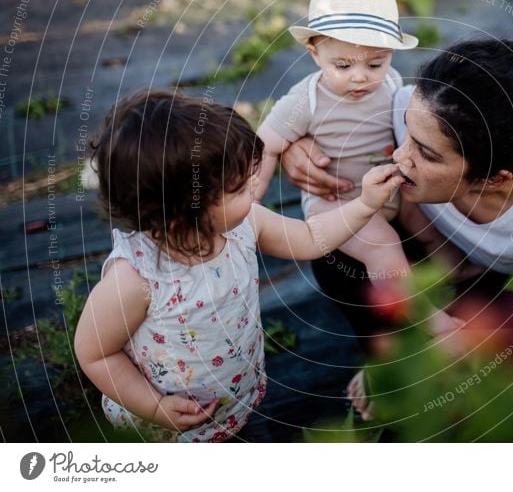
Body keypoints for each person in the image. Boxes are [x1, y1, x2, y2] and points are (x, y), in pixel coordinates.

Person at [280, 38, 513, 418]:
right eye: (406, 132)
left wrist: (469, 345)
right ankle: (384, 355)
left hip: (500, 287)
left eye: (426, 154)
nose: (400, 156)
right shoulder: (411, 106)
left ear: (495, 180)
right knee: (337, 250)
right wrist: (299, 150)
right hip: (426, 255)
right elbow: (329, 152)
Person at [74, 89, 403, 441]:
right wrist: (154, 406)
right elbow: (96, 354)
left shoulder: (246, 225)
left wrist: (366, 204)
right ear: (180, 214)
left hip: (234, 398)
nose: (254, 186)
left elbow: (310, 237)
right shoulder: (135, 279)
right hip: (166, 428)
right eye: (239, 187)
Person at [254, 0, 418, 287]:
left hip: (389, 191)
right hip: (336, 202)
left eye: (375, 64)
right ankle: (424, 320)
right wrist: (251, 203)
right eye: (343, 66)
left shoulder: (393, 82)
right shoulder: (307, 100)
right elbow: (265, 145)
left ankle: (458, 278)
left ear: (391, 55)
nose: (360, 77)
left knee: (436, 225)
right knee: (384, 248)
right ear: (315, 53)